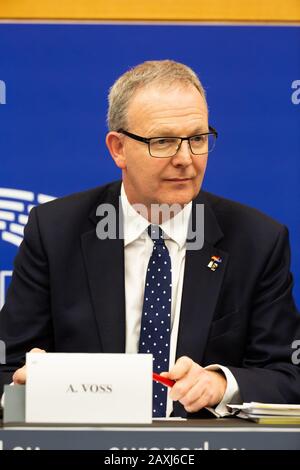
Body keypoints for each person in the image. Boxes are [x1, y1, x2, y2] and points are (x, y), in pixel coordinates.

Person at [0, 60, 299, 418]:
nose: (186, 159)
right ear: (118, 149)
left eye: (198, 139)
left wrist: (222, 384)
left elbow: (287, 375)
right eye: (164, 142)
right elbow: (9, 364)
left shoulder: (256, 241)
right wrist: (27, 387)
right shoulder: (54, 232)